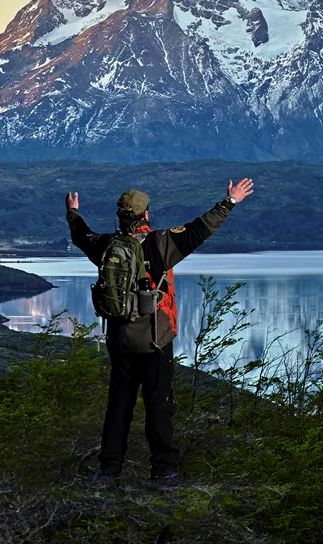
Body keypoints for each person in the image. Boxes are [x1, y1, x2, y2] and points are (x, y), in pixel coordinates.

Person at [65, 178, 254, 484]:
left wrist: (73, 213)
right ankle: (164, 472)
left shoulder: (106, 246)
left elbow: (81, 236)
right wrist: (229, 202)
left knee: (119, 405)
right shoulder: (160, 243)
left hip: (119, 341)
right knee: (158, 405)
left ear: (120, 217)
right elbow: (199, 230)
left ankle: (109, 469)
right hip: (155, 341)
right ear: (146, 215)